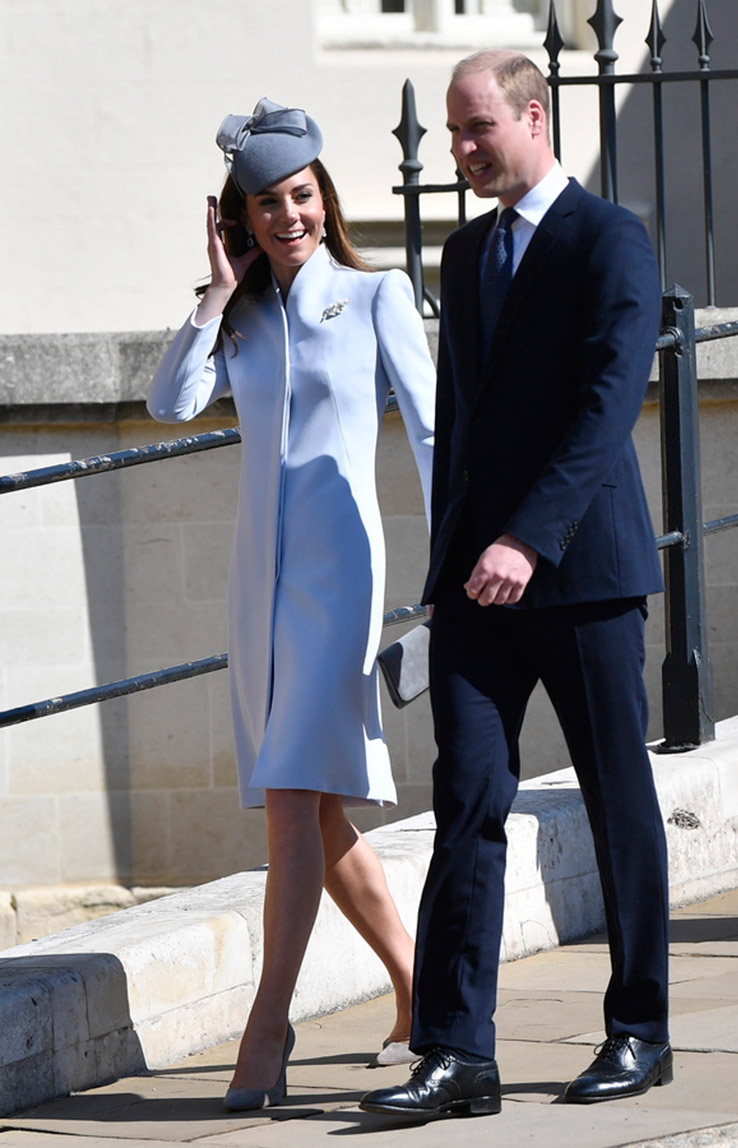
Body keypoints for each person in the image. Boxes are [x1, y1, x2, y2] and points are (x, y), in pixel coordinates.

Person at [360, 50, 670, 1119]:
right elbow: (458, 425)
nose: (459, 149)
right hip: (476, 590)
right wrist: (447, 572)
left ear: (534, 117)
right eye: (451, 131)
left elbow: (607, 404)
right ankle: (457, 1052)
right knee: (466, 803)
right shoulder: (464, 252)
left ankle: (640, 1030)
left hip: (582, 577)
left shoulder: (608, 237)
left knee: (616, 800)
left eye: (476, 127)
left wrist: (529, 540)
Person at [147, 98, 435, 1110]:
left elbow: (434, 434)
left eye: (302, 195)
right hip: (256, 589)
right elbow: (170, 401)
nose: (289, 215)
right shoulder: (242, 318)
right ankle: (420, 985)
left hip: (339, 578)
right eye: (267, 203)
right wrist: (215, 294)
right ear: (242, 217)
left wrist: (450, 571)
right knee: (313, 805)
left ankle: (266, 1027)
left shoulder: (376, 294)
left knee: (288, 800)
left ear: (326, 197)